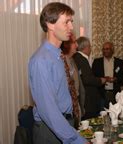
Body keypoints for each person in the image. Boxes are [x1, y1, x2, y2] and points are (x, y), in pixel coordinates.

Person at [28, 2, 87, 144]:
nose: (71, 27)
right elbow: (49, 111)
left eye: (71, 22)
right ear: (50, 24)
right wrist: (76, 140)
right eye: (66, 22)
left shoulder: (59, 55)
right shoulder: (41, 60)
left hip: (64, 125)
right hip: (50, 131)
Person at [73, 36, 107, 120]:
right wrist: (100, 80)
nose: (90, 49)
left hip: (83, 98)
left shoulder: (76, 58)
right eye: (90, 46)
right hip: (88, 100)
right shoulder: (82, 59)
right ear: (86, 47)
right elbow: (87, 79)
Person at [61, 33, 86, 128]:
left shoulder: (72, 60)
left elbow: (78, 85)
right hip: (67, 110)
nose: (77, 45)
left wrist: (81, 106)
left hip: (76, 106)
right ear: (67, 45)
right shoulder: (61, 62)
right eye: (74, 42)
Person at [92, 42, 123, 108]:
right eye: (103, 49)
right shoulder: (97, 62)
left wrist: (115, 79)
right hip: (101, 94)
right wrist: (103, 79)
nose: (105, 51)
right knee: (102, 115)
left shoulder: (119, 62)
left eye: (107, 49)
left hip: (115, 94)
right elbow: (93, 78)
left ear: (112, 50)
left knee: (116, 115)